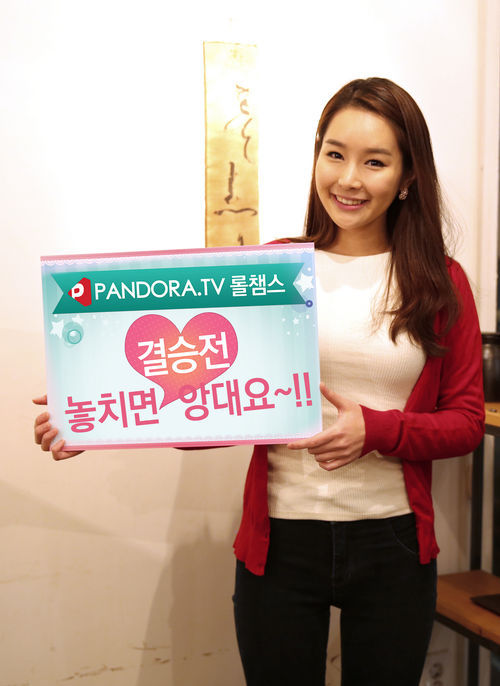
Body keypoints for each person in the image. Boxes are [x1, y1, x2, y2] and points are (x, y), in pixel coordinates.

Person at [34, 77, 485, 686]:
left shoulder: (440, 282)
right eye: (335, 154)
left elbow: (465, 423)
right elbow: (213, 400)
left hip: (394, 543)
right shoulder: (273, 269)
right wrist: (98, 414)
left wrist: (376, 431)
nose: (348, 178)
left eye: (375, 162)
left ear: (407, 177)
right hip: (282, 542)